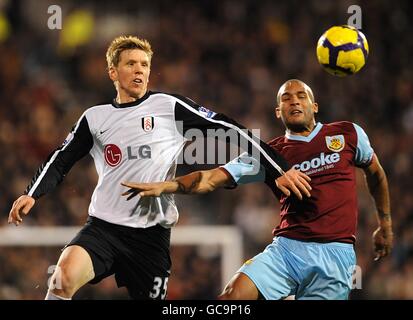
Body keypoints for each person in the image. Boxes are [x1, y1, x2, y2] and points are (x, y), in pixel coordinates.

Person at [7, 37, 311, 300]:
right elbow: (62, 159)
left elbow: (227, 128)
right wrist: (32, 194)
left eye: (144, 64)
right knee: (63, 277)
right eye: (130, 64)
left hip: (151, 238)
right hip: (103, 228)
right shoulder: (94, 118)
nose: (139, 70)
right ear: (113, 71)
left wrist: (277, 168)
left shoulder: (167, 106)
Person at [121, 79, 394, 300]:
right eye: (286, 98)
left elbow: (376, 174)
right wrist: (167, 186)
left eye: (301, 95)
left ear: (314, 105)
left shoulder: (347, 134)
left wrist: (385, 224)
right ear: (278, 111)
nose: (294, 100)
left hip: (335, 256)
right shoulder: (269, 154)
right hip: (286, 251)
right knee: (231, 297)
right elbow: (211, 178)